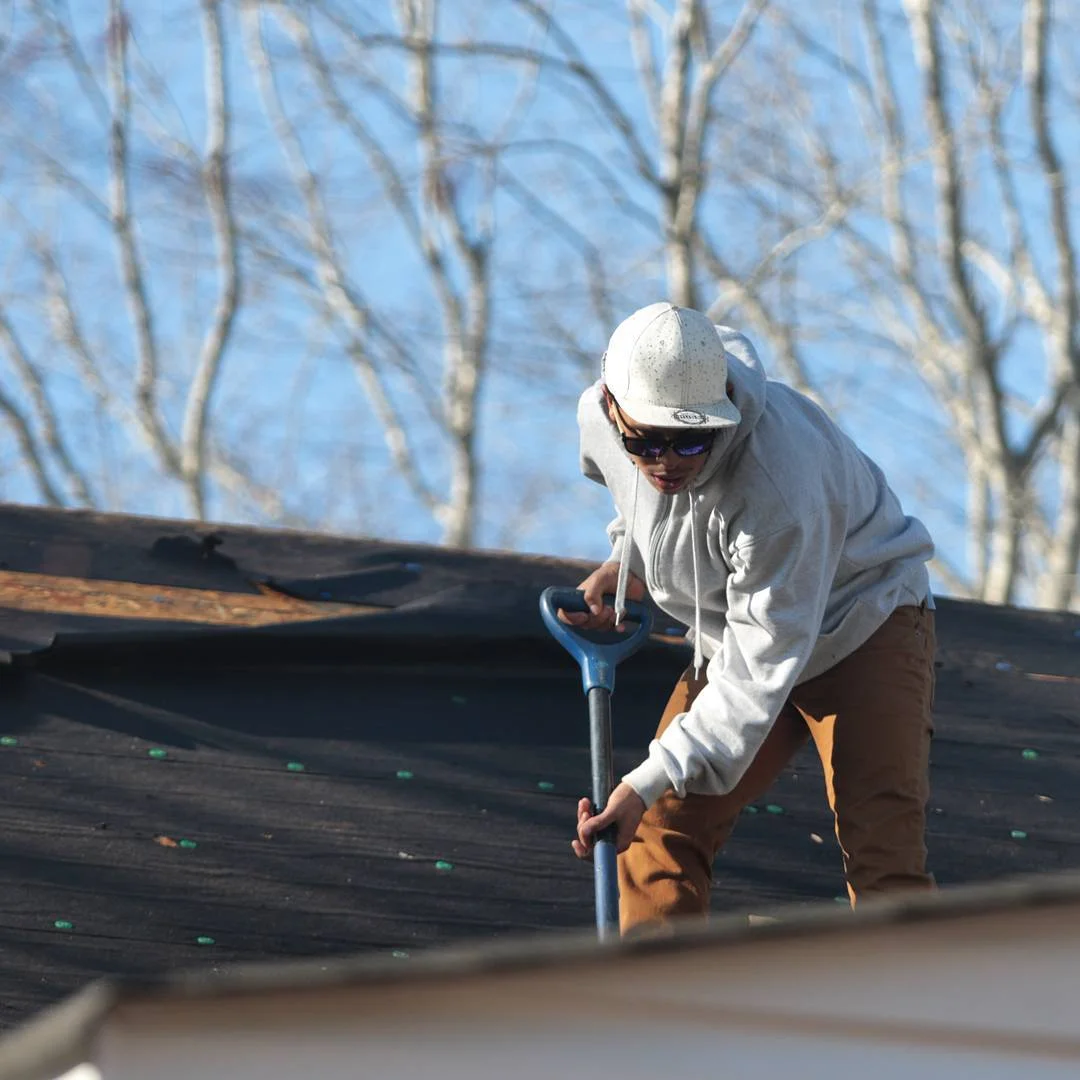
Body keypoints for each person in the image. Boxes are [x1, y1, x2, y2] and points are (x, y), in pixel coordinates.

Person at [560, 301, 936, 935]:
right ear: (609, 408)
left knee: (882, 856)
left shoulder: (777, 488)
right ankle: (663, 1022)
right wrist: (627, 559)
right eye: (645, 441)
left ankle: (919, 1023)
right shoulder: (600, 425)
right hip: (744, 635)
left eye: (691, 441)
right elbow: (644, 504)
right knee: (657, 830)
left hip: (861, 624)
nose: (667, 462)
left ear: (724, 411)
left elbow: (759, 671)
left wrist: (644, 777)